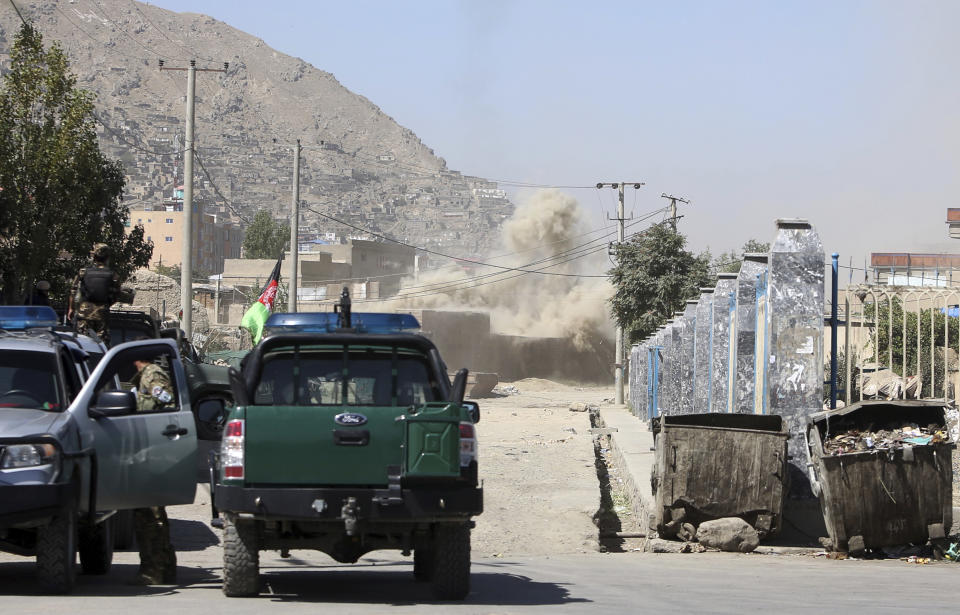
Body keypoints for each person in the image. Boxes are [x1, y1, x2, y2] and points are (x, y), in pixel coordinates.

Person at [129, 357, 178, 585]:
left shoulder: (153, 376)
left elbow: (168, 405)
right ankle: (165, 567)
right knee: (153, 514)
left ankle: (154, 570)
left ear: (137, 360)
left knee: (149, 516)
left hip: (154, 452)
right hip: (148, 451)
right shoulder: (145, 377)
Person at [67, 244, 120, 345]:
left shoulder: (83, 272)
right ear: (107, 257)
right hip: (102, 314)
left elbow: (73, 291)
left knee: (82, 343)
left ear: (94, 256)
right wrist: (105, 305)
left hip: (84, 313)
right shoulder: (113, 275)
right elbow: (116, 295)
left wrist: (71, 308)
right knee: (101, 345)